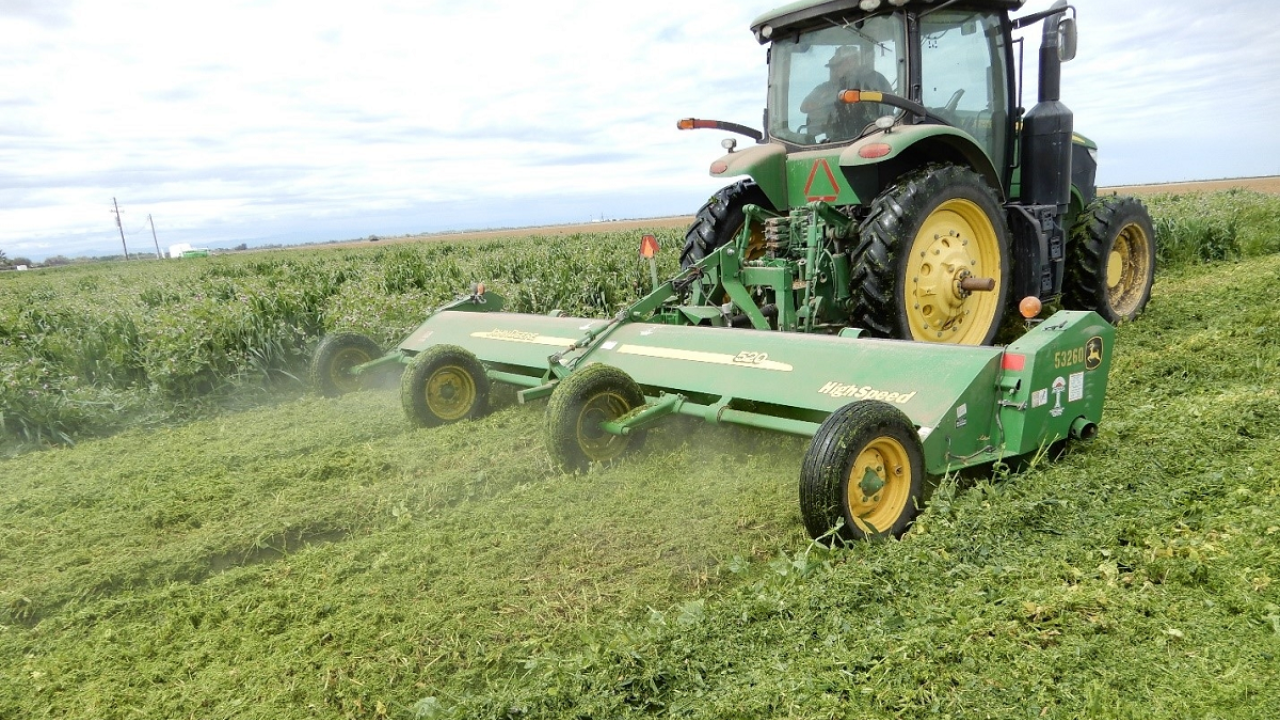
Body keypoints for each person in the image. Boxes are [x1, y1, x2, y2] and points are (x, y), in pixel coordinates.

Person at [800, 44, 893, 142]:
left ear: (850, 62)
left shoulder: (874, 79)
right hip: (836, 139)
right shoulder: (824, 88)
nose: (834, 71)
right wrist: (827, 103)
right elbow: (804, 107)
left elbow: (890, 104)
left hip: (875, 135)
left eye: (837, 66)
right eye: (832, 68)